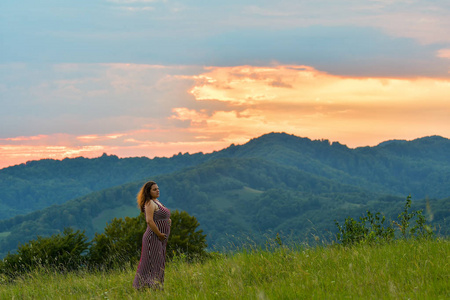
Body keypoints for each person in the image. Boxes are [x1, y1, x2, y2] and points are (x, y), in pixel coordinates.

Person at [133, 181, 171, 290]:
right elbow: (149, 221)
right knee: (154, 262)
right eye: (154, 189)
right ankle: (147, 286)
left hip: (160, 238)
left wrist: (168, 220)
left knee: (159, 261)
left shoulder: (157, 201)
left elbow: (161, 216)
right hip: (153, 237)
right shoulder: (149, 203)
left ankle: (154, 285)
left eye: (158, 188)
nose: (157, 190)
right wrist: (159, 234)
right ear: (148, 192)